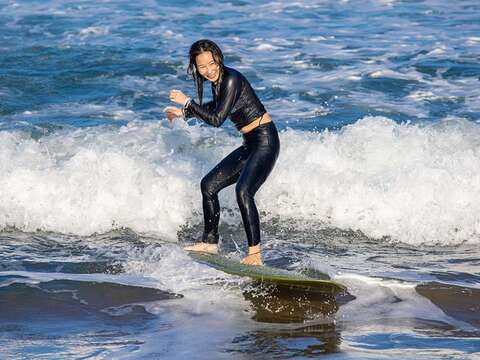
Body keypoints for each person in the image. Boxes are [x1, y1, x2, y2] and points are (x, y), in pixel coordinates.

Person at [165, 39, 279, 266]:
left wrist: (187, 102)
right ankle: (210, 241)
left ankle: (255, 254)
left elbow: (217, 120)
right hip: (250, 143)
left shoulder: (231, 79)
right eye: (202, 67)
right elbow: (215, 108)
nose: (208, 70)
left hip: (265, 141)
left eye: (211, 63)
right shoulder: (217, 83)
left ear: (218, 58)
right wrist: (183, 114)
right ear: (195, 67)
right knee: (208, 186)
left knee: (243, 191)